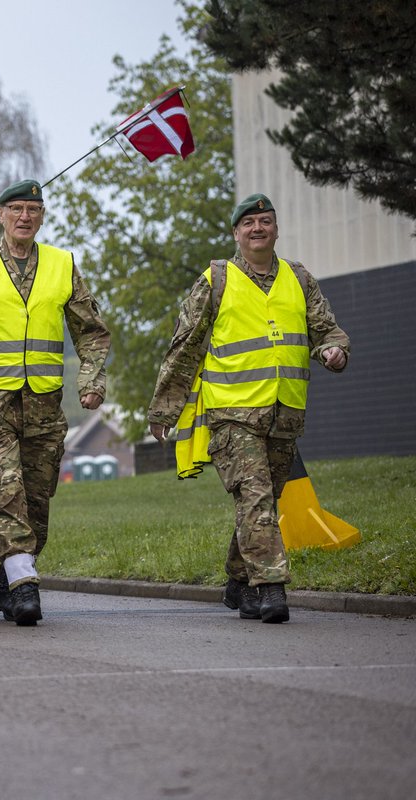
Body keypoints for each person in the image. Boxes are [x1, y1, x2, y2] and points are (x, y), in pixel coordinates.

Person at [148, 194, 350, 624]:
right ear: (236, 234)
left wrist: (333, 351)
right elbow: (185, 348)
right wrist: (164, 408)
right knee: (255, 495)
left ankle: (238, 581)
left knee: (261, 501)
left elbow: (325, 329)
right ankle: (270, 587)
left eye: (266, 221)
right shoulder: (216, 279)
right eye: (249, 223)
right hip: (232, 415)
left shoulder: (298, 277)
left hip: (285, 412)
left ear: (276, 229)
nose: (258, 228)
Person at [0, 179, 111, 626]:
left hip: (44, 409)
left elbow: (91, 330)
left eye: (33, 209)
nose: (25, 216)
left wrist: (91, 378)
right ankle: (24, 584)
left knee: (37, 505)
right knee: (5, 490)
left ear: (42, 215)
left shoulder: (62, 264)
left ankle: (7, 586)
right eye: (16, 208)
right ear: (1, 214)